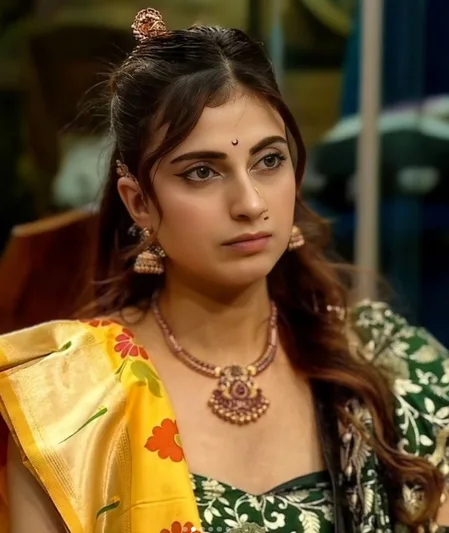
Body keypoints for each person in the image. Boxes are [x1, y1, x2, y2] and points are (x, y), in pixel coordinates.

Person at [1, 7, 449, 533]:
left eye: (269, 161)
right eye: (202, 172)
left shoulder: (389, 364)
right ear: (139, 202)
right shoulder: (72, 401)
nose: (250, 202)